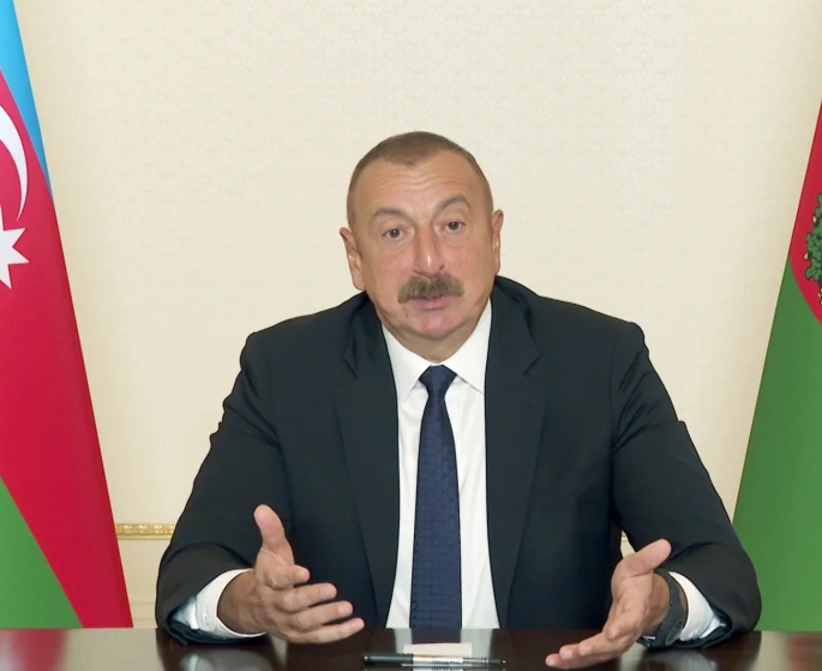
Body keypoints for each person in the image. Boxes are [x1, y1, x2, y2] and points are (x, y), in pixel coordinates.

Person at [155, 131, 761, 669]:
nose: (429, 262)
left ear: (495, 237)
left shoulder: (599, 363)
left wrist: (660, 604)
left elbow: (722, 572)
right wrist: (249, 602)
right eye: (395, 233)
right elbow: (190, 572)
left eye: (452, 226)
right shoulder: (287, 371)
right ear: (354, 257)